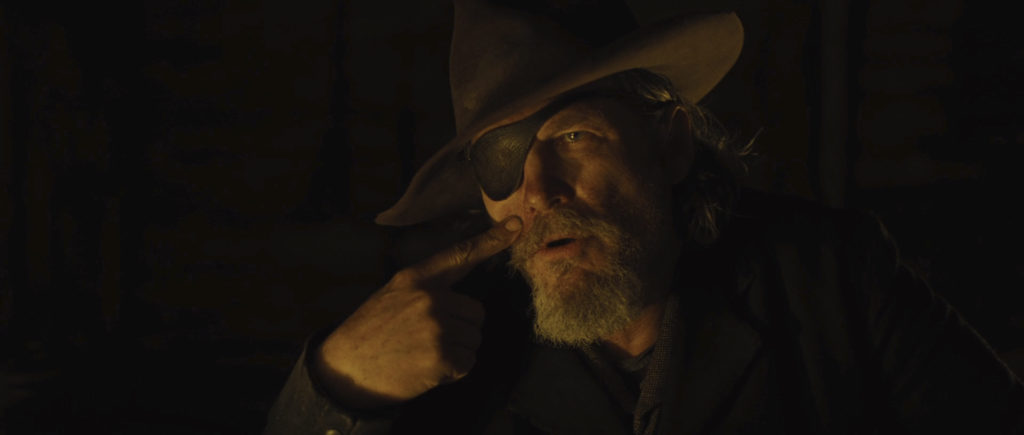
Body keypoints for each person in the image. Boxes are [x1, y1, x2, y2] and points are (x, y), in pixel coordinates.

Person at [265, 1, 1024, 434]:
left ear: (670, 143)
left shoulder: (831, 278)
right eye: (500, 164)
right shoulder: (456, 345)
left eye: (572, 137)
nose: (539, 193)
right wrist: (339, 383)